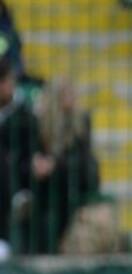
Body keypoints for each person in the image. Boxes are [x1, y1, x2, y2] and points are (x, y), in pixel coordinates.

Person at [26, 76, 99, 254]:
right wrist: (36, 164)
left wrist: (55, 165)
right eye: (67, 93)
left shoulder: (81, 123)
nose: (72, 97)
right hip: (45, 195)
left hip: (73, 192)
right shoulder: (38, 124)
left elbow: (84, 164)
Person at [0, 57, 38, 249]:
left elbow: (32, 152)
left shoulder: (25, 116)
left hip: (19, 177)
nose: (11, 86)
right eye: (7, 81)